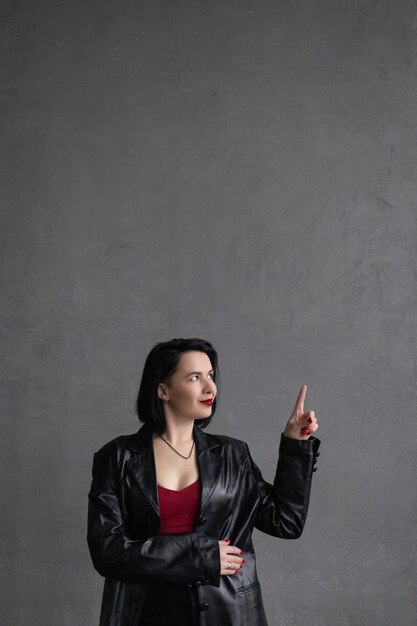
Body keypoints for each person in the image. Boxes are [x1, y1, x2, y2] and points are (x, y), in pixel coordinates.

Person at [87, 337, 321, 626]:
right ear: (163, 390)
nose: (210, 388)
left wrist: (294, 447)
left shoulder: (233, 455)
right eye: (194, 377)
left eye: (210, 376)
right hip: (144, 614)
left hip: (228, 613)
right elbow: (107, 551)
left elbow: (285, 521)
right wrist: (201, 556)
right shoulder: (117, 458)